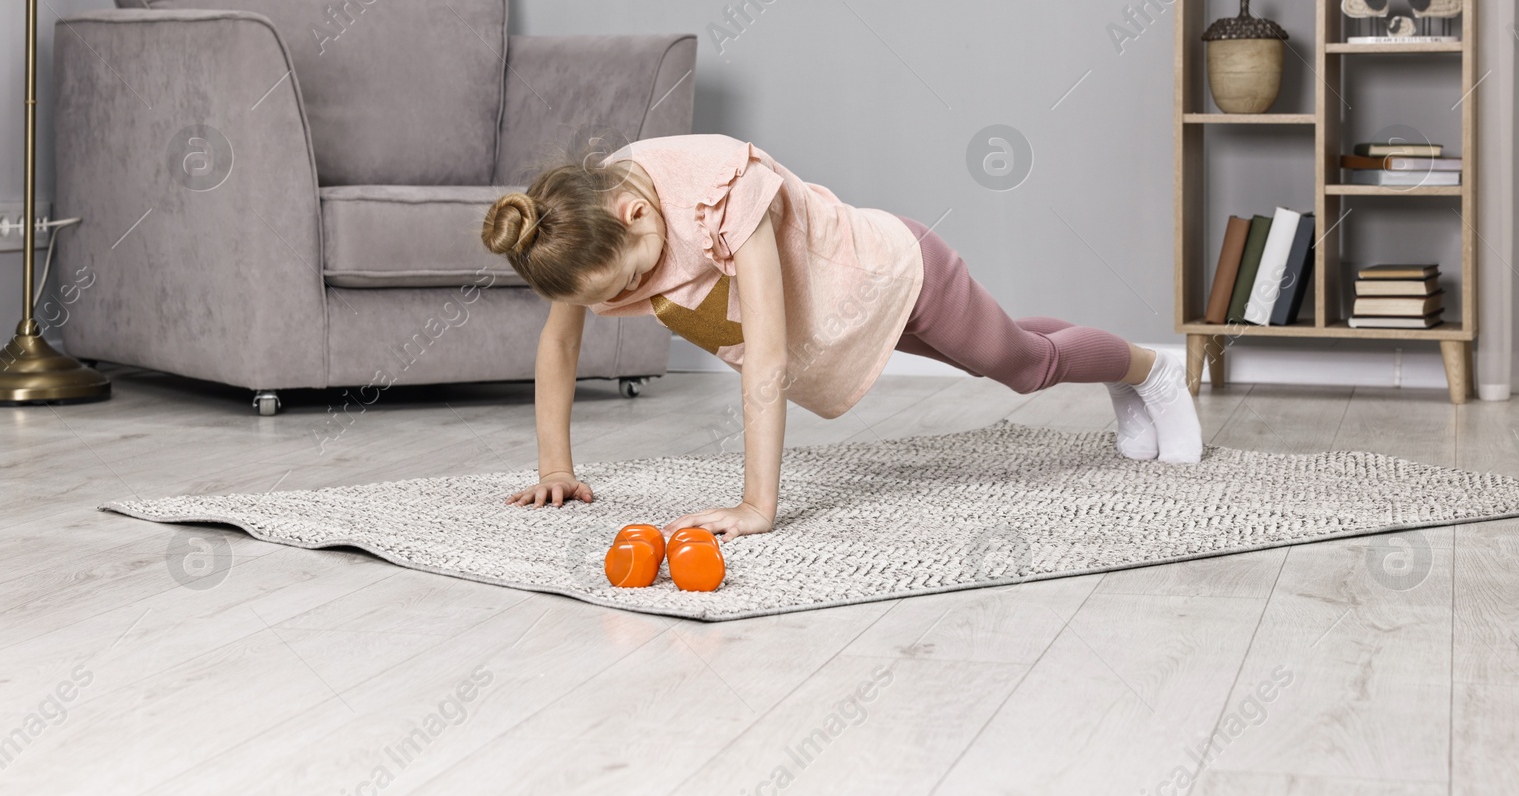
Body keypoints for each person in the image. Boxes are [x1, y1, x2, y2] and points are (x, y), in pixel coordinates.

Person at [482, 133, 1203, 539]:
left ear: (634, 214)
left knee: (1021, 364)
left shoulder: (718, 190)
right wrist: (555, 465)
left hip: (894, 273)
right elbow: (560, 345)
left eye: (627, 283)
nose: (628, 300)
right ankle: (1122, 374)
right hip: (838, 325)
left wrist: (756, 504)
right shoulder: (574, 230)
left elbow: (764, 355)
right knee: (1013, 344)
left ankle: (1151, 370)